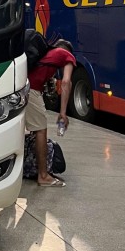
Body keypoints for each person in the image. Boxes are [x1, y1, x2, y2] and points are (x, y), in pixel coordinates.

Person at [25, 38, 76, 188]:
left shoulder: (48, 54)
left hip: (22, 86)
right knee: (41, 130)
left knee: (31, 130)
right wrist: (63, 113)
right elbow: (66, 82)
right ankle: (43, 176)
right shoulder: (68, 56)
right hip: (31, 89)